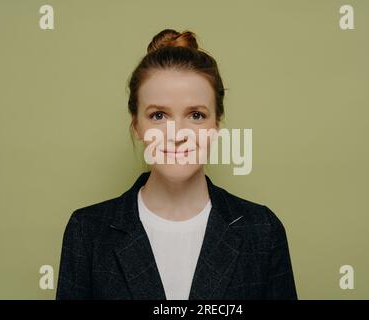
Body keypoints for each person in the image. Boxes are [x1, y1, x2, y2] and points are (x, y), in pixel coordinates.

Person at [56, 29, 298, 300]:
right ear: (137, 125)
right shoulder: (87, 231)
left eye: (196, 115)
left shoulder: (262, 230)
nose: (177, 134)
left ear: (216, 124)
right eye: (158, 115)